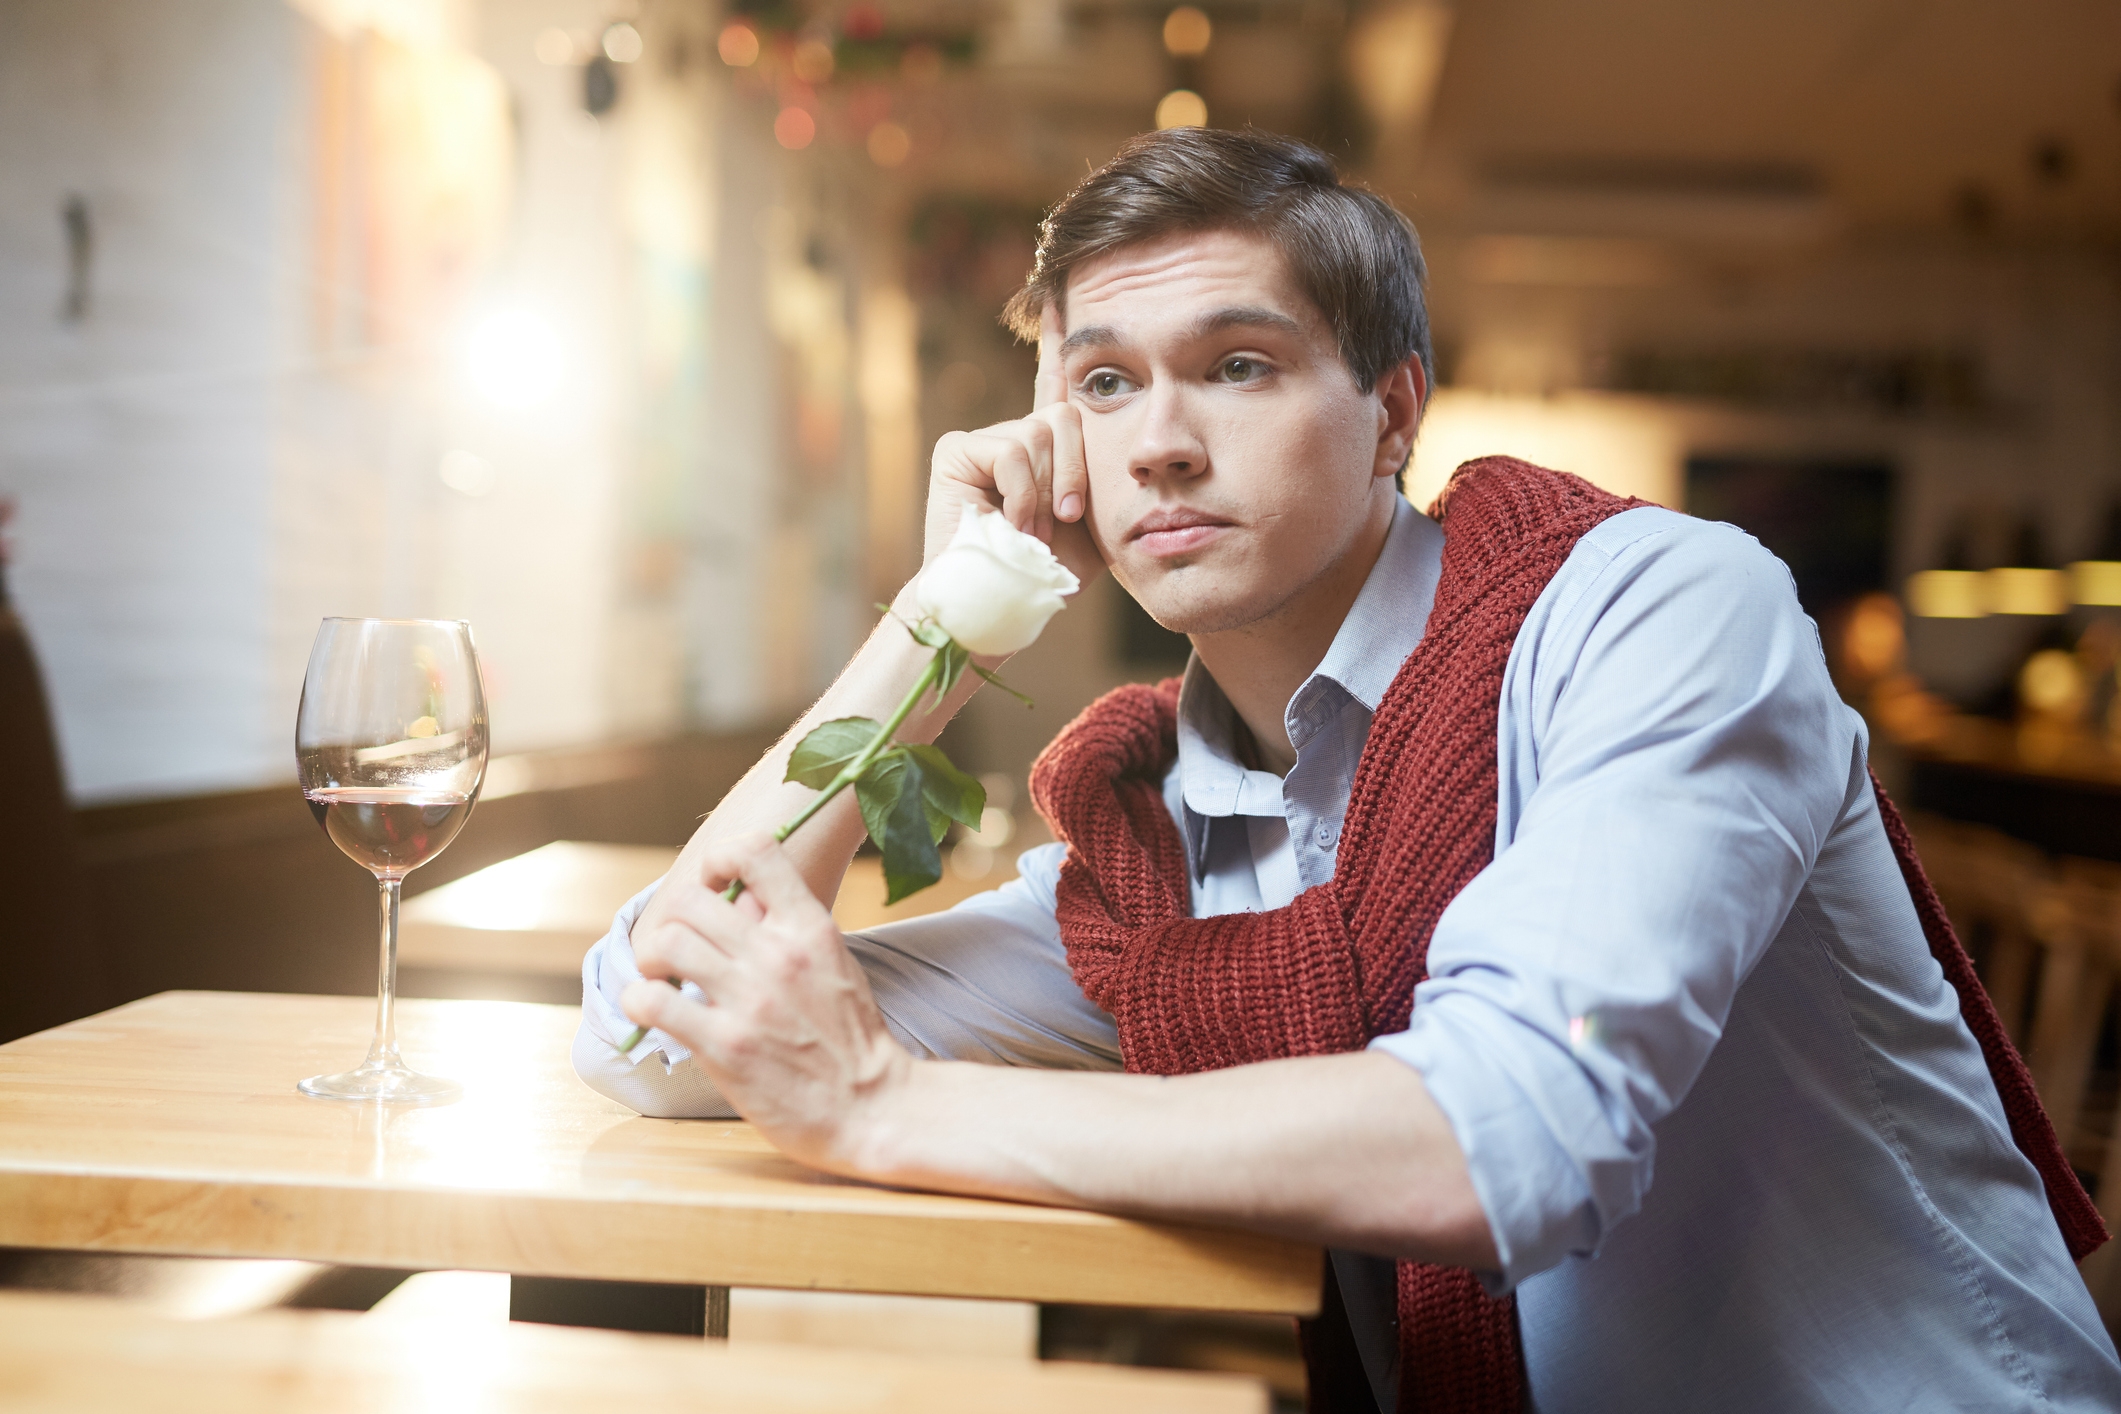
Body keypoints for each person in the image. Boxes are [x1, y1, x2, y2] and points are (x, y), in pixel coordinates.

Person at [574, 128, 2120, 1412]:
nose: (1159, 442)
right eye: (1102, 384)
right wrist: (942, 618)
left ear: (1392, 413)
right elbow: (656, 1028)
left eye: (1235, 365)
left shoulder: (1657, 610)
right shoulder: (1156, 861)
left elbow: (1517, 1125)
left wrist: (878, 1104)